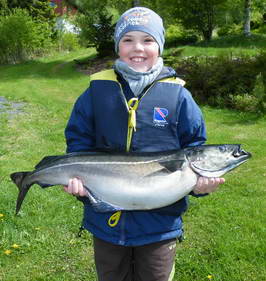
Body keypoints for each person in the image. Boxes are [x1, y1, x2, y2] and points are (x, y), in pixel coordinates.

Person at [64, 6, 225, 281]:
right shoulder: (95, 92)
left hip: (160, 224)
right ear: (117, 46)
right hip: (105, 221)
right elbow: (78, 140)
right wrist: (78, 179)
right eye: (127, 39)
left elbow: (196, 148)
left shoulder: (179, 96)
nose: (137, 48)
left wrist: (200, 184)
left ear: (160, 46)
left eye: (147, 40)